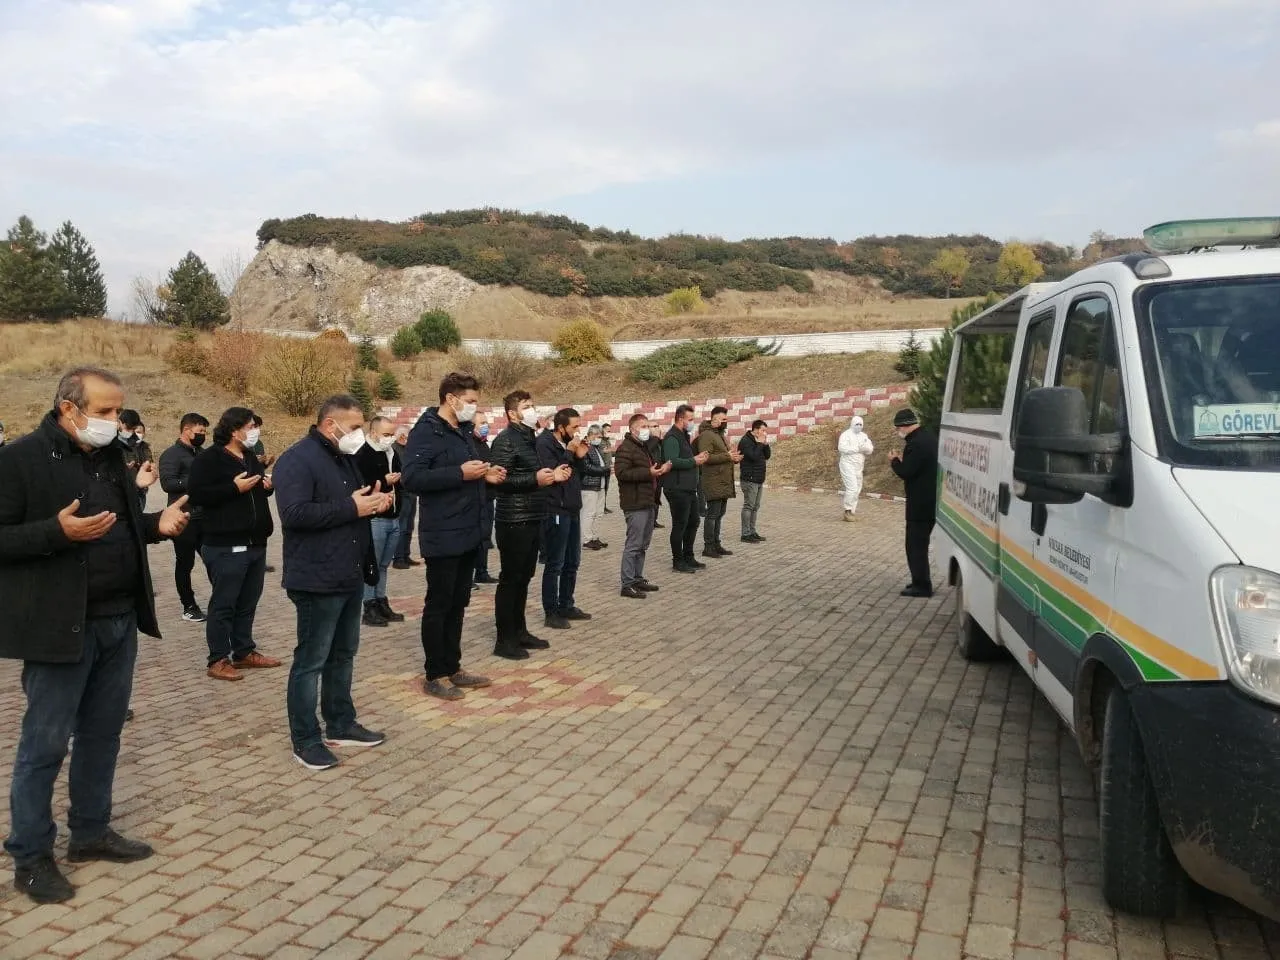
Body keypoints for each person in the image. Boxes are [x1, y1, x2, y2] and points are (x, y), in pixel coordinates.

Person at [1, 366, 189, 904]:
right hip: (60, 626)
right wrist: (54, 532)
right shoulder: (19, 460)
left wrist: (157, 526)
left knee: (103, 735)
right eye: (104, 413)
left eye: (117, 412)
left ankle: (89, 832)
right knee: (44, 744)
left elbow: (122, 526)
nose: (115, 423)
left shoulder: (113, 458)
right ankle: (31, 855)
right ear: (69, 408)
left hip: (117, 620)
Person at [274, 395, 391, 771]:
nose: (360, 434)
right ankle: (306, 739)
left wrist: (373, 503)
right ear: (330, 425)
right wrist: (352, 508)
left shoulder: (344, 457)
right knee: (311, 662)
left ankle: (341, 722)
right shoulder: (297, 459)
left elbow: (351, 504)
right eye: (355, 427)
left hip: (348, 573)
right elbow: (294, 514)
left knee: (343, 655)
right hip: (316, 578)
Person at [402, 372, 506, 701]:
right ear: (451, 398)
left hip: (467, 530)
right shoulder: (426, 431)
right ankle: (435, 672)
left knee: (458, 602)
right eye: (471, 401)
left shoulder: (461, 432)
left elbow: (466, 471)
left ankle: (453, 665)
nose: (475, 408)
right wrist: (459, 473)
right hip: (442, 532)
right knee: (439, 603)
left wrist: (484, 475)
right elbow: (413, 477)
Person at [187, 407, 282, 681]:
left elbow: (255, 490)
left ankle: (243, 652)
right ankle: (218, 658)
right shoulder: (210, 459)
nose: (255, 431)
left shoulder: (250, 456)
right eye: (251, 426)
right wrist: (233, 489)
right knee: (224, 603)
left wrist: (266, 486)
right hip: (225, 545)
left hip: (256, 543)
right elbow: (197, 494)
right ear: (233, 429)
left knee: (248, 601)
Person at [488, 390, 562, 658]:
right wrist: (535, 480)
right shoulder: (506, 440)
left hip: (532, 516)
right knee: (511, 579)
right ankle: (504, 640)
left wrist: (549, 476)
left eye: (533, 405)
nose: (533, 410)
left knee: (524, 578)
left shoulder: (529, 439)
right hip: (513, 520)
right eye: (527, 406)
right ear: (512, 413)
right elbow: (500, 480)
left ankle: (519, 631)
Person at [537, 408, 591, 630]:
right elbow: (555, 474)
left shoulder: (571, 445)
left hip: (572, 508)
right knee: (555, 563)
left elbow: (579, 474)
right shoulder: (544, 444)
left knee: (572, 561)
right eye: (574, 427)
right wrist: (569, 453)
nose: (577, 431)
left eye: (579, 426)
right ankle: (551, 611)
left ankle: (566, 603)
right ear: (561, 428)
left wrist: (580, 457)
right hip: (555, 509)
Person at [354, 416, 405, 627]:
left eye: (392, 434)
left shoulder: (392, 452)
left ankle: (381, 600)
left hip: (393, 515)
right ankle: (369, 605)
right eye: (386, 434)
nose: (390, 438)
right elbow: (362, 484)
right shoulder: (363, 454)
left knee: (384, 564)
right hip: (375, 517)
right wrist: (385, 481)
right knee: (372, 564)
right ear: (374, 433)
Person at [614, 414, 668, 599]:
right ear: (633, 429)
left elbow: (648, 469)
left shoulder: (643, 447)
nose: (647, 429)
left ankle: (637, 578)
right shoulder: (625, 448)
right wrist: (648, 472)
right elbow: (621, 473)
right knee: (634, 544)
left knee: (643, 544)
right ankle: (627, 583)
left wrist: (659, 469)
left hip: (648, 500)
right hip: (635, 503)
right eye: (643, 426)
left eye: (648, 425)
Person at [889, 408, 939, 598]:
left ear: (904, 426)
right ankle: (919, 580)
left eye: (897, 429)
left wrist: (894, 461)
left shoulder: (916, 444)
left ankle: (922, 585)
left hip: (921, 504)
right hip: (929, 500)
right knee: (918, 545)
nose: (897, 433)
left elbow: (906, 471)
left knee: (915, 546)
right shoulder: (927, 437)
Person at [661, 404, 711, 573]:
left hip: (688, 488)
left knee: (693, 521)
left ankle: (689, 556)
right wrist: (693, 461)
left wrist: (697, 459)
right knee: (680, 524)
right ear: (680, 419)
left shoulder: (684, 435)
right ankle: (678, 560)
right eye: (690, 419)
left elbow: (685, 458)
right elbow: (672, 460)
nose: (692, 422)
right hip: (676, 488)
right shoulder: (672, 437)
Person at [695, 406, 742, 558]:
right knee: (712, 514)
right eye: (723, 419)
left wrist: (733, 458)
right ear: (714, 419)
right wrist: (727, 456)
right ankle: (708, 547)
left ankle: (716, 544)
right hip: (713, 480)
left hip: (723, 480)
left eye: (726, 419)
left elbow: (724, 455)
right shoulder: (707, 435)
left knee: (719, 513)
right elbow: (705, 457)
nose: (725, 422)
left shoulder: (720, 434)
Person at [472, 412, 499, 586]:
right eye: (482, 423)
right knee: (473, 537)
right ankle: (468, 574)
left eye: (487, 423)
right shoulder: (469, 446)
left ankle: (482, 571)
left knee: (485, 536)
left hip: (488, 497)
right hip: (474, 499)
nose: (486, 426)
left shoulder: (484, 445)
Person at [391, 426, 420, 569]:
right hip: (402, 493)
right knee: (401, 526)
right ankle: (398, 557)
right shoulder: (393, 450)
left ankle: (406, 554)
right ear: (402, 436)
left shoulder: (408, 450)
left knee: (409, 526)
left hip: (411, 492)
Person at [738, 419, 771, 543]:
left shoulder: (760, 442)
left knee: (755, 507)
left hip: (759, 479)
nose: (764, 433)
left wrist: (765, 444)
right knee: (749, 506)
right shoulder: (745, 441)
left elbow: (767, 456)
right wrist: (759, 444)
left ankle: (752, 531)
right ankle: (745, 534)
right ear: (756, 430)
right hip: (749, 479)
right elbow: (753, 456)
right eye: (763, 430)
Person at [580, 424, 611, 551]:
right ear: (591, 435)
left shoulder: (595, 447)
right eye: (598, 436)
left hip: (599, 485)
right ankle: (586, 539)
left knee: (598, 513)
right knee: (589, 513)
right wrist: (604, 470)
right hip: (589, 485)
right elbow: (586, 467)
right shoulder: (585, 447)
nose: (600, 438)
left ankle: (594, 537)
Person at [839, 415, 875, 521]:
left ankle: (852, 511)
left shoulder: (863, 436)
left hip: (859, 466)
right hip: (847, 464)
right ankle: (847, 510)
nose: (858, 426)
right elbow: (842, 448)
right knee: (852, 487)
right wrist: (857, 448)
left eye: (860, 424)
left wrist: (865, 448)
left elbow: (870, 449)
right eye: (856, 424)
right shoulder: (846, 435)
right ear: (852, 424)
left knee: (857, 488)